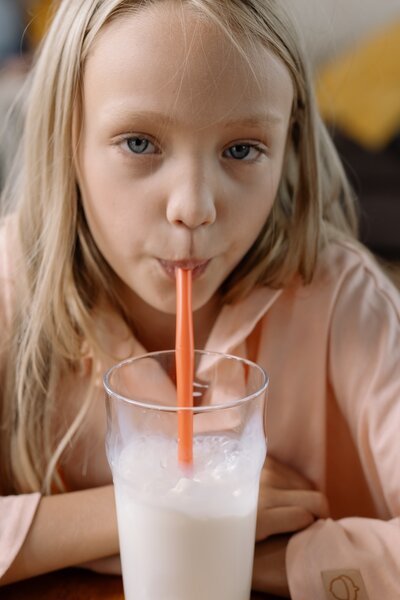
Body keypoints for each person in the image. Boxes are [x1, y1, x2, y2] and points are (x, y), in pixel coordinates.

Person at [0, 0, 399, 597]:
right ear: (68, 141)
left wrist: (260, 560)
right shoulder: (12, 285)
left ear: (286, 148)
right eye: (139, 143)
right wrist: (159, 513)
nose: (193, 207)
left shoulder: (346, 302)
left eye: (241, 149)